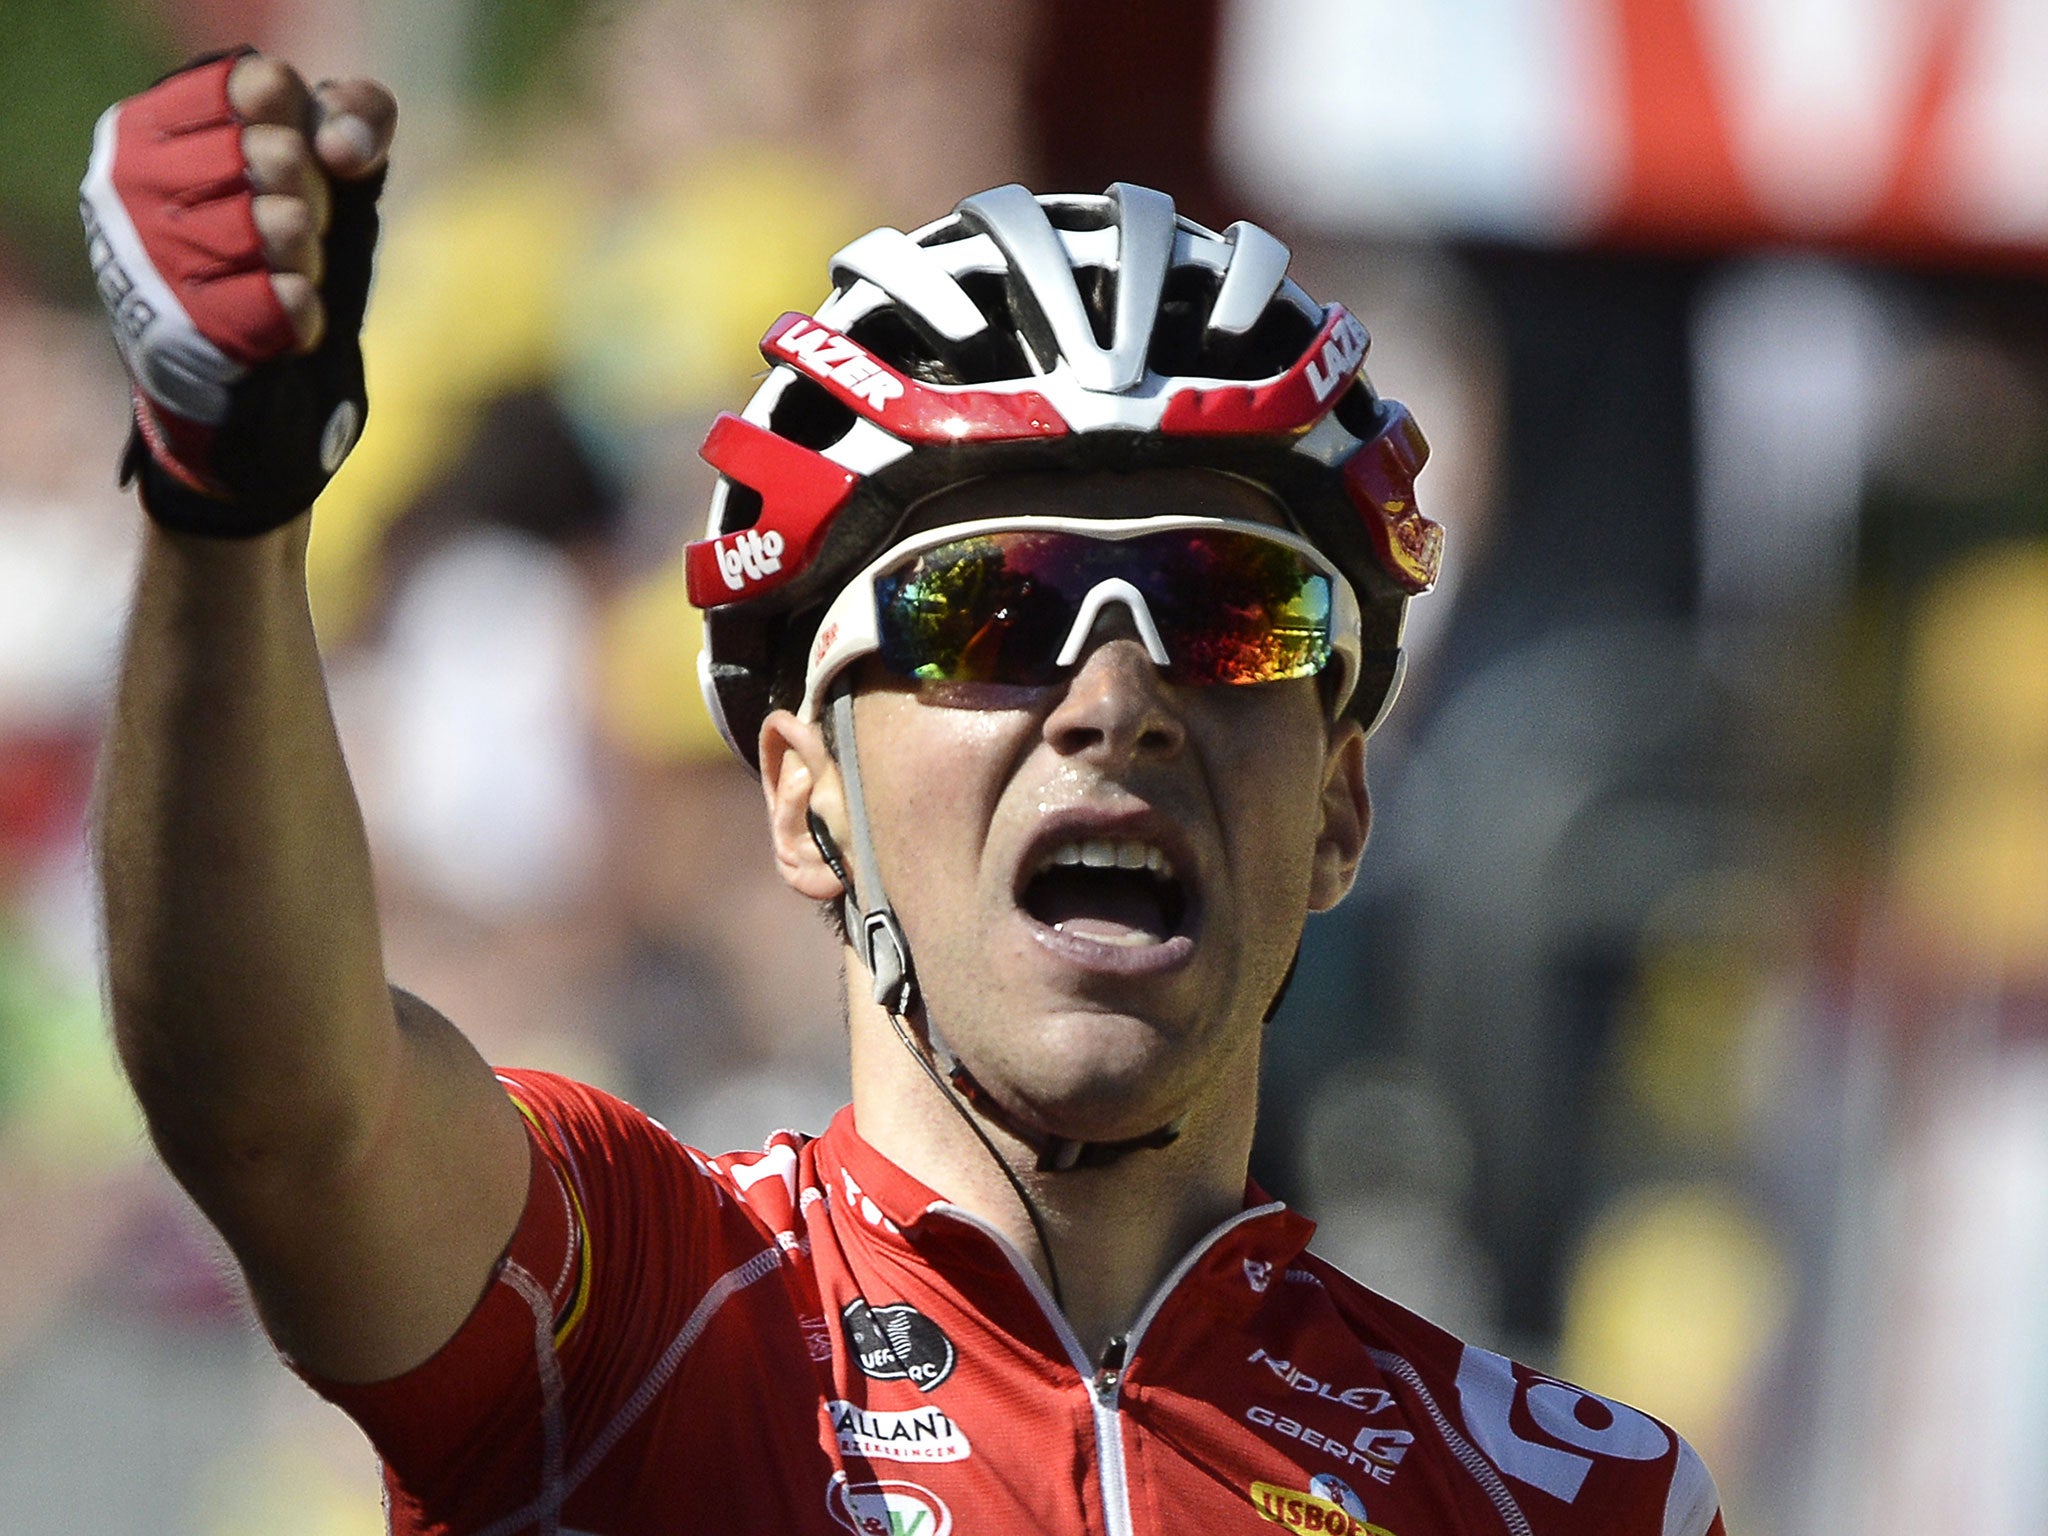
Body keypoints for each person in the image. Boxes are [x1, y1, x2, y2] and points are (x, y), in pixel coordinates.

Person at [85, 50, 1726, 1536]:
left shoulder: (1567, 1500)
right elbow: (284, 1115)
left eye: (1233, 607)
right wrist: (223, 507)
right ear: (803, 802)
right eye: (987, 611)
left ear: (1341, 809)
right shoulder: (645, 1305)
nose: (1115, 699)